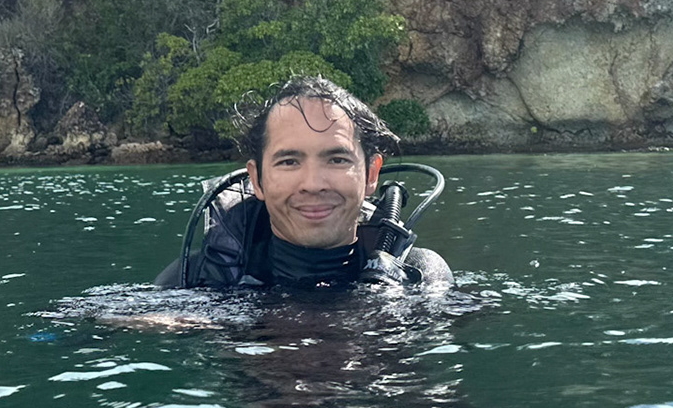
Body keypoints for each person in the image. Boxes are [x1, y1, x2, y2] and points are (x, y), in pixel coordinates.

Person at [153, 75, 451, 290]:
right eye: (289, 162)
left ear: (371, 175)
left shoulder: (419, 278)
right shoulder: (190, 281)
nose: (313, 183)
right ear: (257, 180)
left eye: (337, 159)